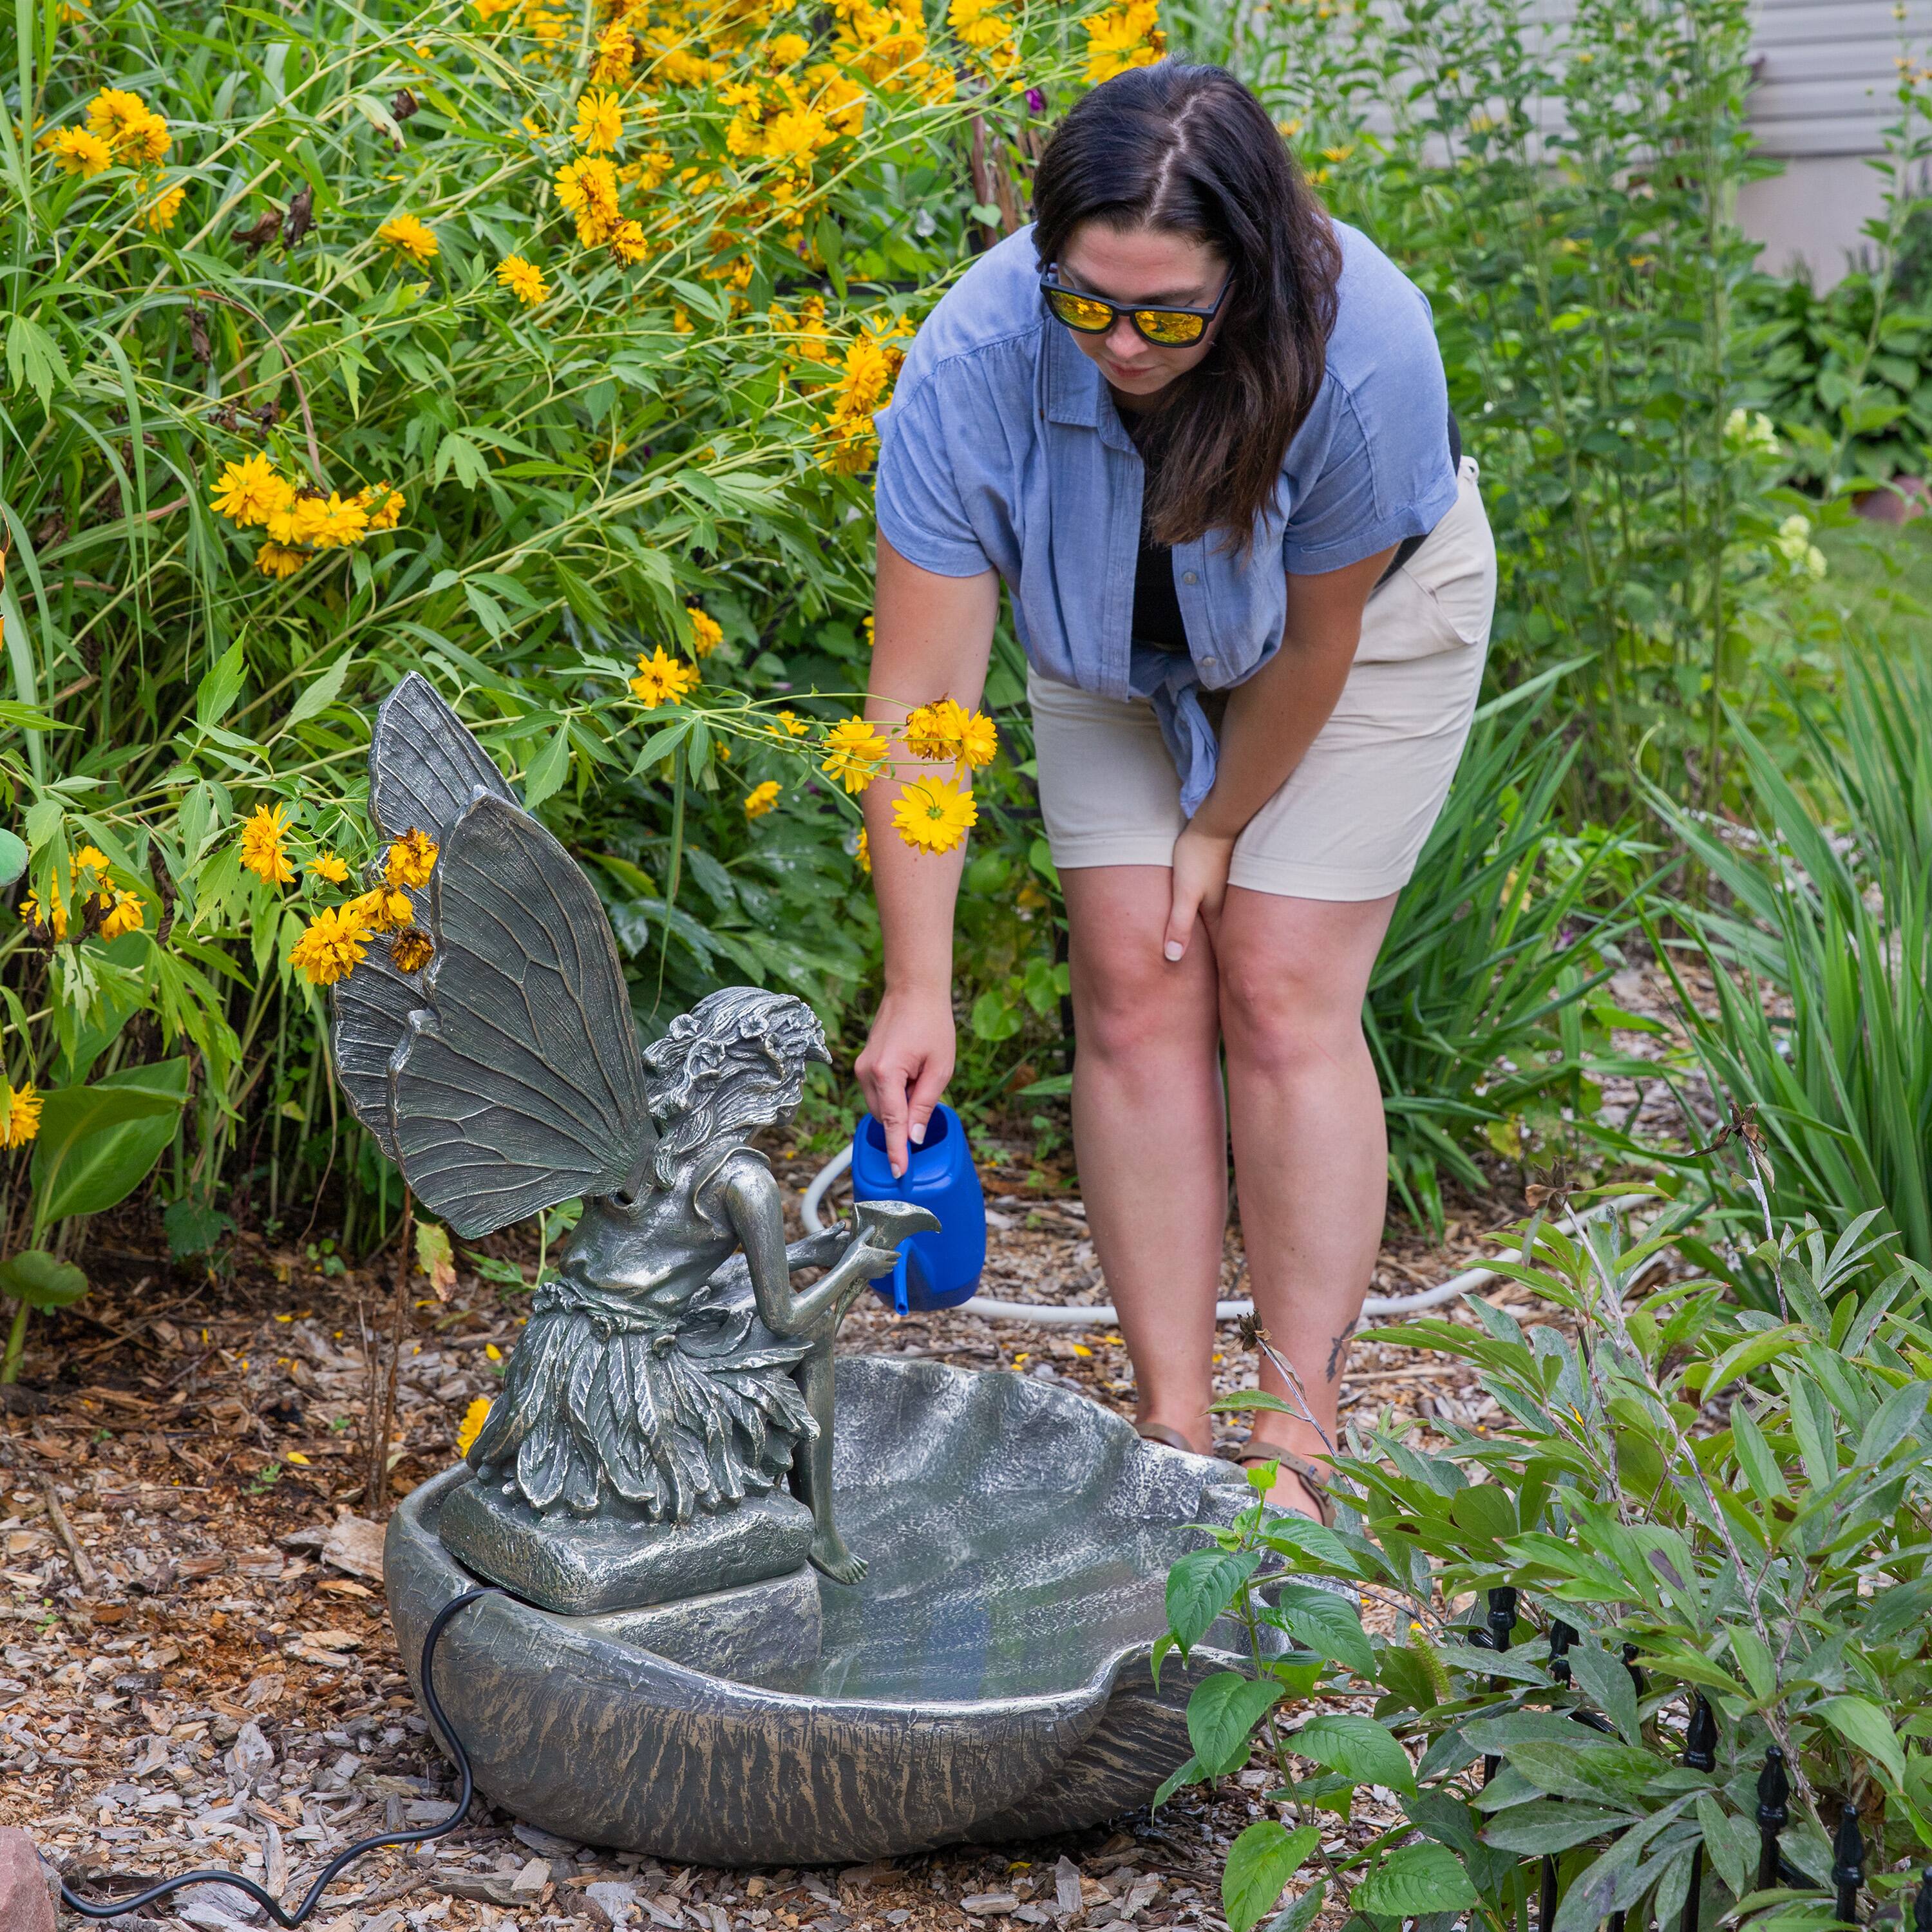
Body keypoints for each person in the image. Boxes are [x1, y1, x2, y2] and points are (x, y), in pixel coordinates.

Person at [855, 61, 1497, 1522]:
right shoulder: (969, 364)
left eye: (1166, 314)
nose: (1123, 344)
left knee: (1275, 977)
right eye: (1087, 303)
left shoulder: (1365, 345)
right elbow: (923, 713)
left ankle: (1299, 1445)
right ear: (1044, 255)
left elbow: (1317, 640)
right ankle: (1174, 1438)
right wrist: (919, 981)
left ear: (1246, 275)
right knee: (1134, 982)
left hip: (1366, 636)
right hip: (1105, 652)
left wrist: (1217, 829)